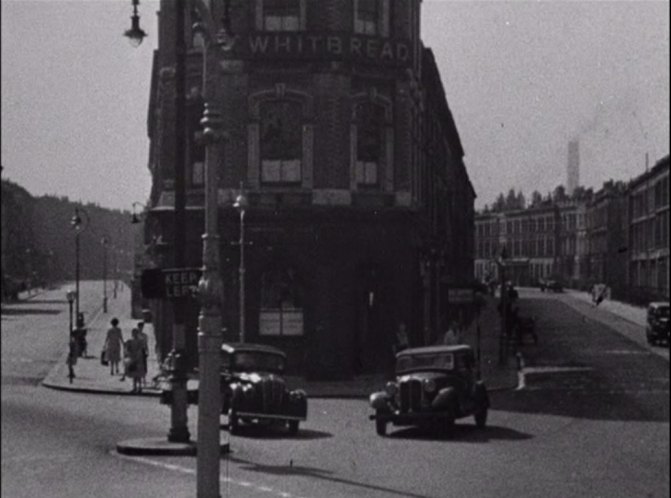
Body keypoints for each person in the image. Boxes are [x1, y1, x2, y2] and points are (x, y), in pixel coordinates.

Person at [124, 328, 147, 393]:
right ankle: (135, 387)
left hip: (137, 358)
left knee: (137, 374)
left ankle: (139, 387)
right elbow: (128, 349)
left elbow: (141, 349)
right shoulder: (132, 341)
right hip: (135, 358)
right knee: (135, 374)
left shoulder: (138, 341)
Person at [136, 321, 149, 387]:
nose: (141, 328)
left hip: (143, 351)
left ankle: (143, 379)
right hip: (137, 351)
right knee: (137, 366)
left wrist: (147, 351)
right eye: (140, 327)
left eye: (142, 327)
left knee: (143, 366)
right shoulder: (136, 335)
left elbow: (146, 344)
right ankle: (139, 379)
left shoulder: (145, 336)